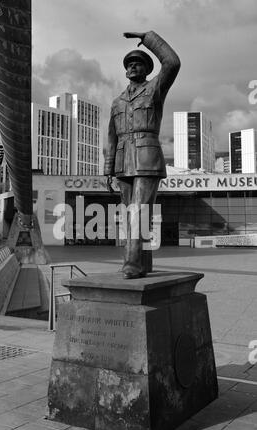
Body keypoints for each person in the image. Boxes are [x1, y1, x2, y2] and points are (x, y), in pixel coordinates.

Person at [105, 31, 181, 279]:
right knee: (133, 215)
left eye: (137, 63)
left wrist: (148, 38)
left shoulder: (155, 89)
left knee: (138, 211)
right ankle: (143, 262)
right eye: (129, 64)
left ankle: (132, 263)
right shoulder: (117, 102)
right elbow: (111, 135)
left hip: (147, 157)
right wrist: (108, 169)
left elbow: (172, 62)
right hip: (122, 160)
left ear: (147, 69)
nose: (132, 66)